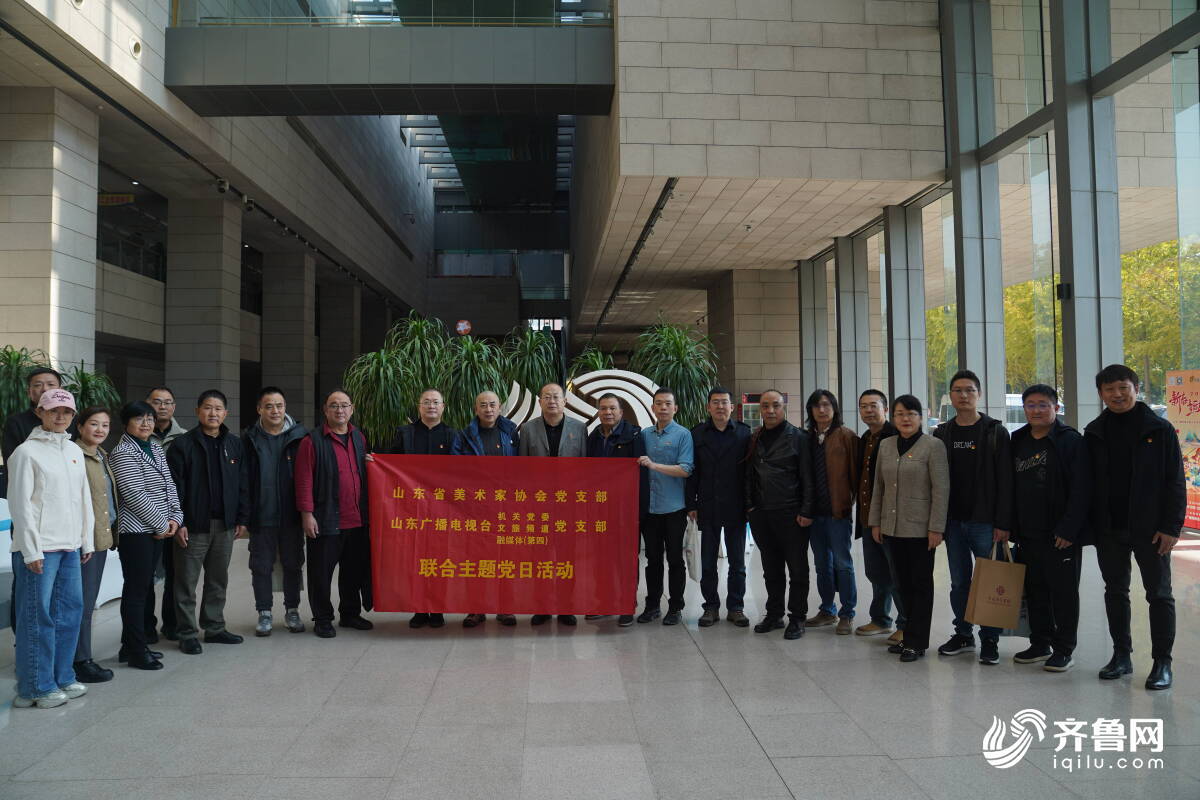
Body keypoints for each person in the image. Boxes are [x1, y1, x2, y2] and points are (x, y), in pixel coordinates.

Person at [1084, 364, 1185, 690]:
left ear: (1136, 389)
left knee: (1159, 594)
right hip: (1109, 528)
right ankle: (1121, 656)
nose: (1117, 394)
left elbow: (1175, 481)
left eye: (1123, 387)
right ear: (1101, 394)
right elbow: (1088, 484)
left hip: (1151, 529)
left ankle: (1162, 662)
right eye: (1109, 389)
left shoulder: (1159, 429)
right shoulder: (1094, 432)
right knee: (1115, 592)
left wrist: (1171, 527)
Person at [8, 388, 93, 708]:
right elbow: (20, 505)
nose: (60, 416)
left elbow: (83, 499)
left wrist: (85, 540)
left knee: (69, 614)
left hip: (69, 546)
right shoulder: (26, 452)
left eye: (67, 412)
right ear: (39, 413)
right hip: (40, 549)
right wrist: (31, 550)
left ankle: (62, 677)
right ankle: (35, 687)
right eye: (54, 410)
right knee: (37, 617)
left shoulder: (73, 451)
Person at [932, 369, 1013, 665]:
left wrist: (1003, 523)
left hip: (985, 522)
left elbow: (1006, 481)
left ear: (979, 394)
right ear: (951, 396)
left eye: (969, 390)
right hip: (953, 522)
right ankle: (963, 634)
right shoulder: (942, 433)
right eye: (958, 390)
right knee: (959, 583)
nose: (963, 395)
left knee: (990, 582)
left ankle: (990, 639)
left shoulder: (995, 432)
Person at [1009, 384, 1090, 673]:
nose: (1037, 410)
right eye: (1031, 405)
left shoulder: (1070, 441)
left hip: (1060, 534)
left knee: (1064, 594)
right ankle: (1040, 642)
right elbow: (1010, 485)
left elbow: (1082, 490)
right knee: (1035, 591)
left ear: (1056, 408)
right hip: (1027, 532)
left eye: (1043, 405)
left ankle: (1064, 649)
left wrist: (1069, 530)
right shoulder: (1018, 439)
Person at [166, 389, 249, 654]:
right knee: (186, 582)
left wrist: (241, 518)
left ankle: (214, 628)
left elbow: (243, 484)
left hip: (224, 525)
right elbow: (173, 487)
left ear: (225, 413)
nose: (213, 413)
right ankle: (187, 633)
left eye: (218, 408)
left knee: (217, 580)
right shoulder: (183, 445)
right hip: (193, 526)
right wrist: (179, 522)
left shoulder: (234, 444)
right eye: (207, 407)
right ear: (197, 411)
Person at [868, 395, 948, 662]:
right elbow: (878, 487)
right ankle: (908, 634)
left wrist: (936, 528)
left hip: (921, 529)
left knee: (920, 586)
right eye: (900, 414)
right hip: (891, 527)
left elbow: (941, 490)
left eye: (911, 414)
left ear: (921, 417)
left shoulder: (933, 446)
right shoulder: (886, 445)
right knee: (901, 585)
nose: (905, 419)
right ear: (893, 417)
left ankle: (917, 642)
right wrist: (876, 522)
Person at [295, 389, 373, 638]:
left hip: (357, 519)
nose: (340, 410)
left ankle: (349, 614)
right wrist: (307, 514)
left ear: (352, 409)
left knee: (353, 572)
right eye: (334, 406)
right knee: (321, 573)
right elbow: (304, 480)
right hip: (326, 518)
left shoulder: (359, 437)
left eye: (344, 405)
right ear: (325, 410)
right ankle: (322, 618)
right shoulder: (312, 441)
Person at [111, 402, 182, 670]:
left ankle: (129, 645)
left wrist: (176, 517)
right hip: (136, 532)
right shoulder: (122, 452)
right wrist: (162, 524)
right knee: (136, 591)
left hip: (157, 529)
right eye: (139, 418)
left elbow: (169, 484)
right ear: (126, 423)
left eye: (150, 418)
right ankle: (136, 650)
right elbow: (134, 494)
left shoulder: (154, 446)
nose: (146, 423)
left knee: (143, 589)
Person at [384, 388, 457, 629]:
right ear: (419, 407)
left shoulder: (452, 436)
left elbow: (460, 472)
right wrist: (375, 462)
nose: (431, 406)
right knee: (415, 560)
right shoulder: (404, 434)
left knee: (439, 560)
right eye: (426, 402)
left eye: (435, 402)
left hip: (442, 510)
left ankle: (437, 609)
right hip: (411, 509)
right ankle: (418, 608)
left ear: (443, 407)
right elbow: (389, 465)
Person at [744, 390, 814, 640]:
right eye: (765, 406)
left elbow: (808, 477)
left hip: (792, 513)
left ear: (784, 407)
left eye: (776, 405)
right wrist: (750, 506)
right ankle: (774, 614)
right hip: (762, 514)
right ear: (760, 409)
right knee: (771, 569)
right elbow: (749, 474)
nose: (770, 411)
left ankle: (797, 618)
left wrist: (807, 510)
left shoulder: (799, 438)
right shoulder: (755, 437)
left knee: (797, 569)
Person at [241, 387, 309, 637]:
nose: (275, 411)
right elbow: (243, 480)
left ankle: (292, 610)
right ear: (259, 409)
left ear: (285, 408)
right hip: (261, 516)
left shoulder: (301, 437)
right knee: (261, 566)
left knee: (293, 564)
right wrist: (244, 516)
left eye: (279, 405)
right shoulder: (248, 439)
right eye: (268, 406)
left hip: (291, 516)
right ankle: (264, 612)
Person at [451, 390, 521, 628]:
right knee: (476, 559)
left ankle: (505, 608)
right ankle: (476, 609)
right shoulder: (464, 436)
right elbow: (454, 471)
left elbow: (523, 468)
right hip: (476, 507)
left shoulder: (511, 432)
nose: (488, 409)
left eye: (492, 404)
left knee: (506, 558)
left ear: (500, 407)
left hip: (505, 506)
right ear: (476, 409)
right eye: (483, 405)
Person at [520, 382, 588, 627]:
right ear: (540, 401)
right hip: (539, 507)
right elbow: (522, 469)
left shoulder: (579, 429)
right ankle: (542, 606)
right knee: (540, 557)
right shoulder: (527, 429)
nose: (552, 401)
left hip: (568, 506)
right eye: (547, 397)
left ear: (565, 401)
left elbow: (585, 469)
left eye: (556, 397)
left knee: (567, 557)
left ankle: (566, 606)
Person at [685, 386, 752, 627]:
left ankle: (736, 607)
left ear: (732, 407)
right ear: (708, 407)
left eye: (724, 402)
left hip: (736, 506)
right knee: (708, 562)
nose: (720, 406)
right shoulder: (697, 434)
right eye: (716, 402)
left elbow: (749, 473)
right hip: (707, 505)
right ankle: (710, 607)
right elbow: (692, 472)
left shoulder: (744, 433)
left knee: (737, 563)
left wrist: (750, 504)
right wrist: (690, 503)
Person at [586, 393, 648, 627]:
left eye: (612, 408)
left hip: (626, 510)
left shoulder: (634, 436)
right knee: (601, 559)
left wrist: (638, 509)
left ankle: (626, 604)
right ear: (598, 412)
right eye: (603, 409)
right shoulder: (593, 437)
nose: (608, 413)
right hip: (600, 509)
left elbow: (642, 475)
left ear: (621, 412)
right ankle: (604, 602)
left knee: (626, 559)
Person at [803, 389, 860, 635]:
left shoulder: (847, 436)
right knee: (821, 565)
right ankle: (827, 610)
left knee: (843, 563)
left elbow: (856, 476)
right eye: (816, 406)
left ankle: (847, 613)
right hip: (813, 514)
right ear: (810, 410)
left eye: (826, 405)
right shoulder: (805, 437)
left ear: (834, 408)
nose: (822, 410)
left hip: (838, 513)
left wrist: (848, 503)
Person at [637, 388, 695, 626]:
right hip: (649, 509)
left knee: (675, 559)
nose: (663, 407)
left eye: (667, 404)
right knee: (652, 560)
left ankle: (675, 607)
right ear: (652, 408)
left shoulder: (683, 435)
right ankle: (652, 606)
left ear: (675, 408)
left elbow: (685, 469)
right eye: (659, 403)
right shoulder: (644, 435)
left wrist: (654, 466)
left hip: (674, 508)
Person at [73, 406, 119, 683]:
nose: (100, 430)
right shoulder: (75, 455)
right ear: (80, 427)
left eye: (105, 425)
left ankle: (80, 656)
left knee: (86, 602)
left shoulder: (101, 455)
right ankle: (80, 660)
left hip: (99, 538)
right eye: (93, 424)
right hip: (84, 542)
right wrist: (83, 541)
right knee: (82, 603)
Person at [854, 390, 903, 643]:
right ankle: (881, 619)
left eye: (873, 405)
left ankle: (906, 623)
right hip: (867, 517)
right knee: (876, 571)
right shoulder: (865, 438)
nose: (868, 410)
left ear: (885, 409)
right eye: (864, 406)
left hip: (889, 519)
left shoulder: (895, 436)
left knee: (896, 572)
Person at [145, 386, 186, 644]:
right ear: (147, 404)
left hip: (175, 517)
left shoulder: (185, 438)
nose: (162, 407)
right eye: (157, 402)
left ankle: (172, 624)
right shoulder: (137, 436)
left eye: (168, 402)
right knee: (146, 576)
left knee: (175, 573)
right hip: (144, 518)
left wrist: (181, 518)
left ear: (174, 407)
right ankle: (146, 627)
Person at [2, 367, 64, 463]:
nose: (45, 389)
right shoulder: (16, 423)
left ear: (61, 390)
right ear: (29, 392)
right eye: (38, 385)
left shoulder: (72, 420)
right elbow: (11, 461)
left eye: (51, 384)